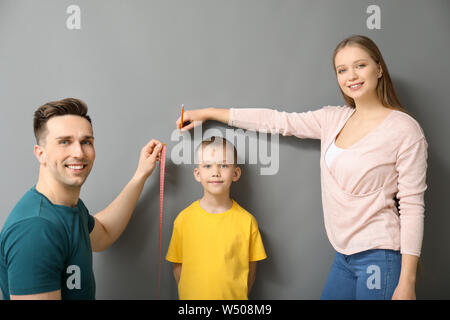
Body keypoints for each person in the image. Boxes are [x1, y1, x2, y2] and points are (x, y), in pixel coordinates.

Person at [175, 35, 428, 300]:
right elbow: (276, 121)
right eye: (342, 70)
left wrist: (407, 281)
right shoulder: (333, 119)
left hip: (380, 257)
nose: (351, 75)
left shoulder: (404, 129)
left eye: (360, 65)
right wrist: (209, 113)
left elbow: (412, 205)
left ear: (378, 68)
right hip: (344, 255)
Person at [0, 98, 163, 300]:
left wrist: (141, 175)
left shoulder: (69, 208)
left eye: (86, 142)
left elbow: (104, 234)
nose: (78, 152)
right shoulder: (36, 229)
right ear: (40, 153)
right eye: (64, 142)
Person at [166, 136, 267, 300]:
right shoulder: (183, 220)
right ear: (197, 174)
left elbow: (251, 272)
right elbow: (178, 266)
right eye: (207, 166)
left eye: (224, 165)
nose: (215, 172)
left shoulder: (247, 222)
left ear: (235, 173)